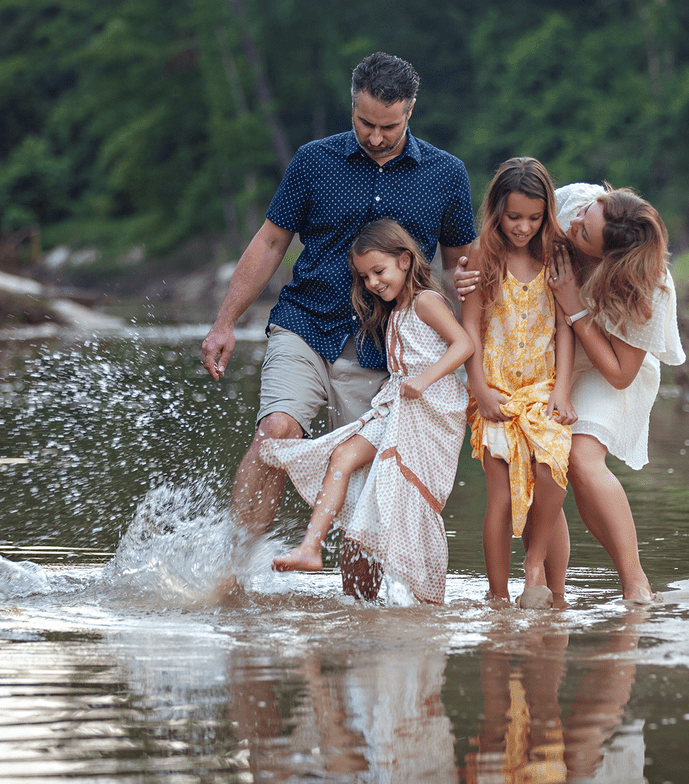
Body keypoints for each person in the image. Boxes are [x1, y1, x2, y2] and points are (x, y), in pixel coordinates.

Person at [200, 52, 476, 595]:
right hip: (305, 325)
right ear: (353, 106)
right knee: (276, 432)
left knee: (369, 496)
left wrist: (481, 374)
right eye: (364, 122)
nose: (374, 136)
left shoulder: (446, 174)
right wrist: (224, 322)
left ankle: (356, 614)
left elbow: (466, 266)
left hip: (387, 352)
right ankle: (228, 579)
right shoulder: (313, 161)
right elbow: (271, 243)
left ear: (411, 111)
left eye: (388, 126)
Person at [455, 182, 684, 602]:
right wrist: (468, 273)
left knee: (578, 457)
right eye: (584, 213)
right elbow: (507, 234)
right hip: (538, 351)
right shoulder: (577, 203)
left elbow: (619, 374)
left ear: (607, 257)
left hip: (604, 362)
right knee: (536, 461)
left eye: (582, 232)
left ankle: (634, 580)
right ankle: (544, 584)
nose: (572, 221)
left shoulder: (649, 286)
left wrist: (574, 305)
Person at [257, 220, 473, 604]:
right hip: (398, 406)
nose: (373, 282)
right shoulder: (394, 312)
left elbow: (464, 345)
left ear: (405, 261)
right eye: (365, 276)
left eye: (379, 271)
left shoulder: (426, 301)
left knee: (405, 494)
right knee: (342, 455)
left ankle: (423, 590)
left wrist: (423, 381)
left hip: (429, 410)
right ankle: (311, 546)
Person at [460, 157, 576, 608]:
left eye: (533, 217)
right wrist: (478, 388)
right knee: (503, 496)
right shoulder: (482, 256)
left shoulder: (556, 257)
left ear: (546, 213)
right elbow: (469, 326)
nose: (523, 227)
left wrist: (562, 391)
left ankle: (537, 568)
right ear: (496, 211)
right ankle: (496, 597)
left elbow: (565, 328)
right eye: (513, 217)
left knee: (552, 472)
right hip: (496, 390)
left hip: (543, 389)